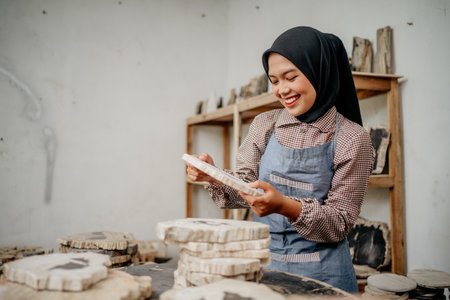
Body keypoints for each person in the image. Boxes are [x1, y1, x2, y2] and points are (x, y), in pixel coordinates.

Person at [185, 26, 374, 293]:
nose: (282, 90)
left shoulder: (353, 138)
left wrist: (285, 205)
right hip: (265, 267)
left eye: (290, 77)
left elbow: (339, 223)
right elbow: (245, 188)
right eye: (274, 80)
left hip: (324, 278)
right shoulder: (265, 124)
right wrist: (213, 175)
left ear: (318, 72)